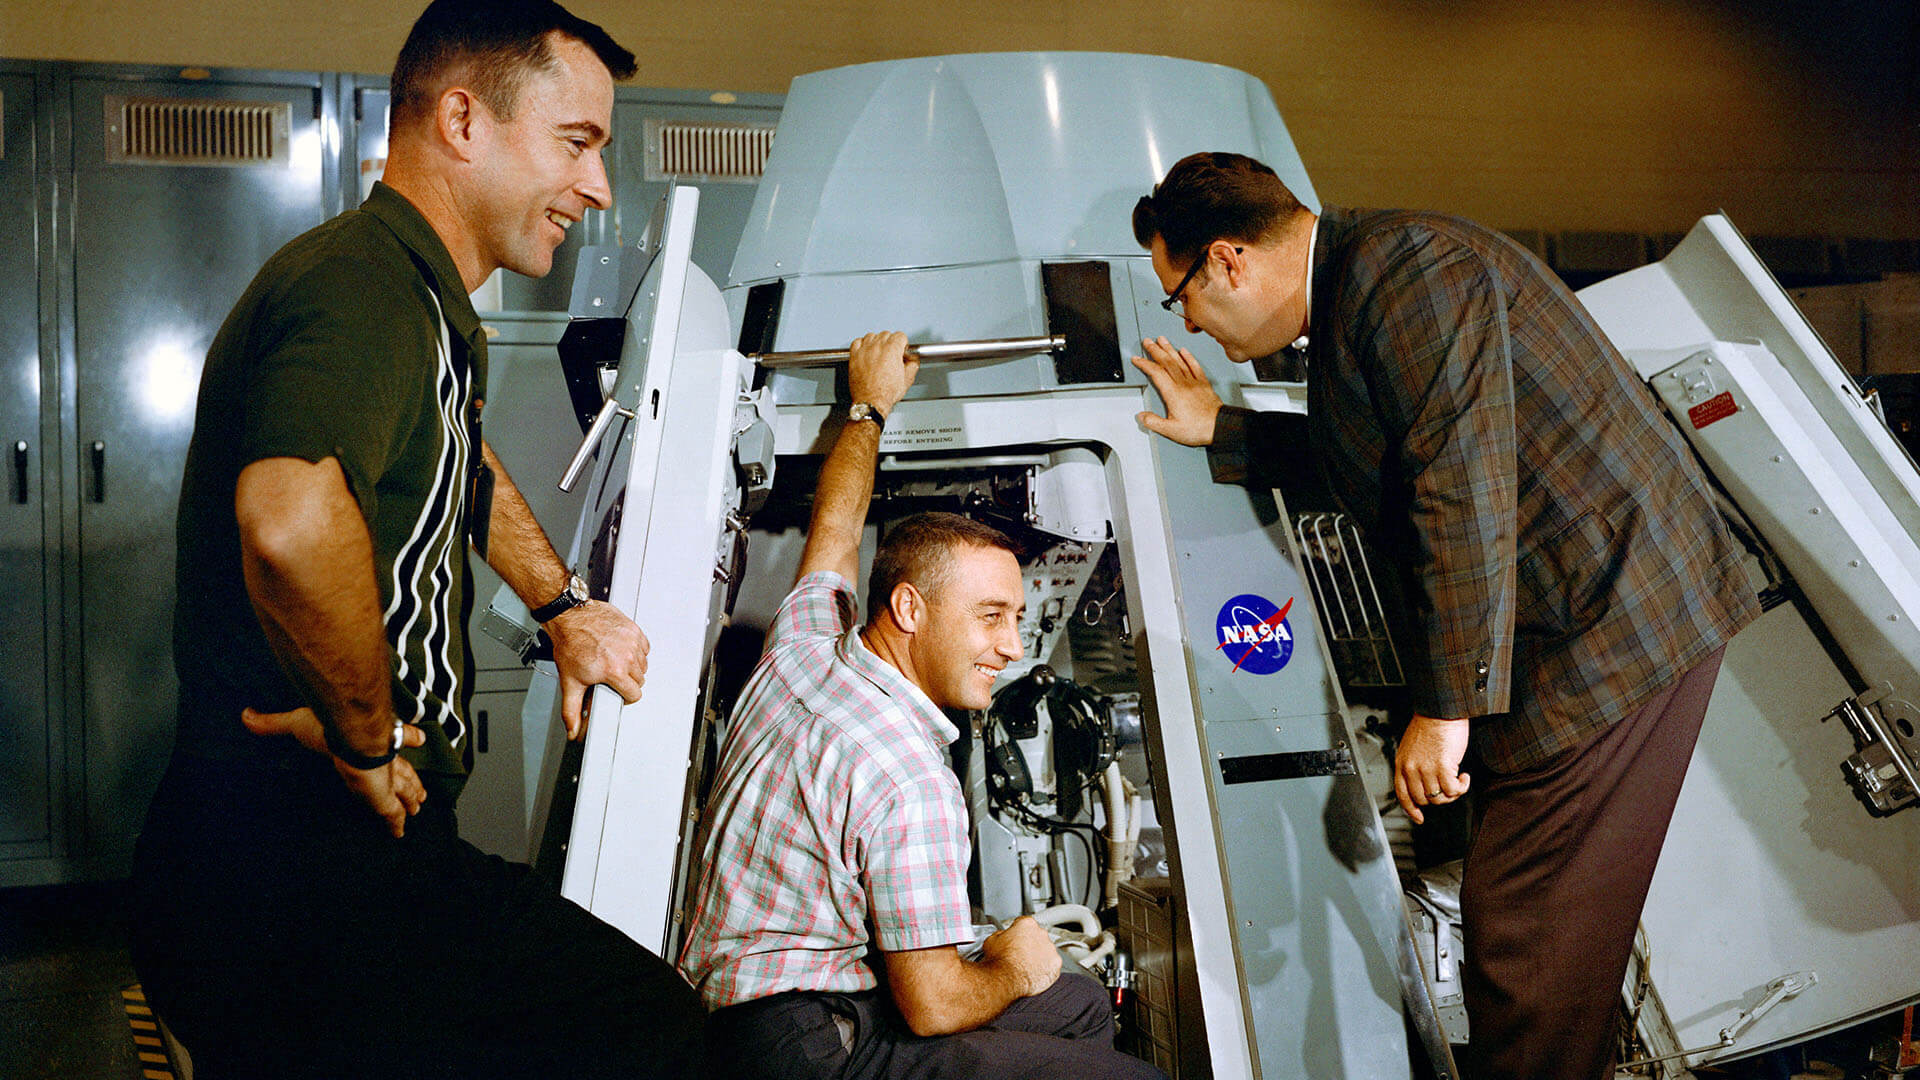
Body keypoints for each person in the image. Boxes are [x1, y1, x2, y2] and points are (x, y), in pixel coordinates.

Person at [129, 2, 703, 1076]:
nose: (599, 189)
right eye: (577, 145)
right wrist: (364, 733)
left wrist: (562, 608)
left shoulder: (422, 304)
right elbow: (292, 518)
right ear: (462, 121)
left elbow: (455, 463)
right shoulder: (364, 286)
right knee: (655, 1035)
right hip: (296, 869)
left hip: (315, 861)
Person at [1129, 152, 1759, 1080]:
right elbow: (1377, 456)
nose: (1183, 320)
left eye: (1177, 294)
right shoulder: (1363, 289)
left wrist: (1444, 708)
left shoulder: (1408, 271)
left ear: (1228, 261)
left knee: (1525, 945)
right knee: (1527, 937)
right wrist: (1223, 431)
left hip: (1608, 623)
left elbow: (1457, 487)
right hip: (1567, 622)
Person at [677, 331, 1165, 1080]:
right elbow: (934, 1006)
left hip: (732, 1010)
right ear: (909, 608)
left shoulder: (805, 647)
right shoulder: (911, 777)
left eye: (1016, 617)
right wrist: (1013, 967)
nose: (1012, 645)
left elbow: (836, 527)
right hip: (803, 1050)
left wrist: (868, 406)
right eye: (991, 615)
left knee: (1084, 1007)